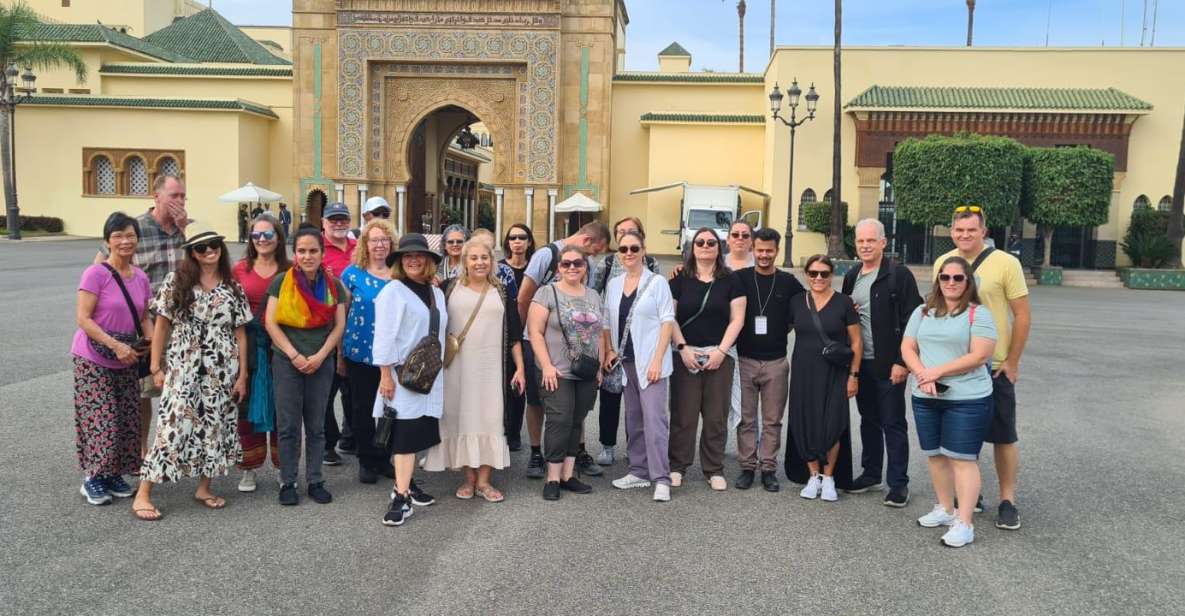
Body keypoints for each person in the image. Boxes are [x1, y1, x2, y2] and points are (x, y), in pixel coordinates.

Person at [132, 223, 252, 521]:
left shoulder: (232, 285)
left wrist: (242, 374)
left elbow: (241, 334)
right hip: (184, 366)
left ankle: (204, 487)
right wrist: (155, 366)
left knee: (215, 426)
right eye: (202, 247)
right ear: (192, 253)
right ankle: (143, 493)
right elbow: (162, 325)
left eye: (214, 245)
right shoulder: (178, 281)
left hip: (221, 369)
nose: (210, 251)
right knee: (172, 428)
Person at [933, 205, 1030, 530]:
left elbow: (1023, 315)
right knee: (960, 437)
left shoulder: (1006, 263)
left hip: (994, 366)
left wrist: (1013, 361)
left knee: (1003, 435)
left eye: (971, 230)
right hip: (954, 367)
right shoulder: (942, 263)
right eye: (959, 230)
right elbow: (937, 309)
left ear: (983, 232)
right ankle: (969, 496)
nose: (964, 235)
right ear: (952, 232)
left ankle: (1007, 499)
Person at [902, 256, 998, 548]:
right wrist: (922, 375)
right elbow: (907, 346)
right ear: (938, 281)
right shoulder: (923, 311)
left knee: (962, 459)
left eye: (958, 278)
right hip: (927, 394)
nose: (951, 283)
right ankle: (945, 508)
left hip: (967, 398)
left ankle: (965, 523)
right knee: (935, 455)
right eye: (945, 278)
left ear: (968, 282)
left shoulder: (977, 314)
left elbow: (979, 355)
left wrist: (936, 371)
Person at [94, 174, 188, 458]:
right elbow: (101, 271)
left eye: (184, 196)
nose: (181, 202)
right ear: (156, 196)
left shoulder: (189, 229)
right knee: (144, 393)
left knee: (180, 389)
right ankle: (143, 449)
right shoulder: (133, 230)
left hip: (183, 325)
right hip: (146, 326)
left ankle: (173, 449)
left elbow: (210, 262)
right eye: (175, 196)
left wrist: (186, 229)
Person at [425, 238, 526, 502]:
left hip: (492, 370)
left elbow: (514, 334)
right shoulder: (449, 288)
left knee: (490, 419)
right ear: (464, 261)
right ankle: (468, 479)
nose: (480, 262)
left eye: (485, 258)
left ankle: (484, 481)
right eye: (474, 258)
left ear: (491, 262)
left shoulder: (502, 291)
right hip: (456, 369)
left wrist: (520, 368)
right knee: (460, 419)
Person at [516, 221, 611, 479]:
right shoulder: (546, 255)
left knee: (575, 406)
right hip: (537, 338)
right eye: (592, 252)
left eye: (580, 263)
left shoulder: (586, 268)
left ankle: (576, 453)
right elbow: (524, 297)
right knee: (537, 401)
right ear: (588, 241)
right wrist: (527, 334)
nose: (581, 264)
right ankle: (537, 452)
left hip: (577, 348)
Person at [841, 219, 923, 507]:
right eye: (861, 241)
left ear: (883, 243)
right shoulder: (852, 276)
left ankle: (898, 484)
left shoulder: (898, 275)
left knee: (893, 422)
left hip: (890, 365)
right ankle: (871, 473)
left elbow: (915, 319)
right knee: (868, 420)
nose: (865, 246)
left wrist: (904, 361)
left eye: (871, 241)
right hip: (862, 363)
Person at [73, 212, 153, 506]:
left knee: (127, 419)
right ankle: (93, 477)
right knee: (102, 419)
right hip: (93, 357)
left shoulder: (141, 277)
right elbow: (83, 318)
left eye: (130, 235)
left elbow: (144, 317)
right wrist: (113, 344)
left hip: (127, 357)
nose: (125, 241)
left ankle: (112, 473)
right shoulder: (95, 274)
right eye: (118, 235)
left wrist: (153, 346)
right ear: (107, 241)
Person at [265, 224, 347, 506]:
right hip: (287, 362)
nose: (307, 256)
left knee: (316, 425)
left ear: (322, 253)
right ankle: (288, 481)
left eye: (313, 251)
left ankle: (315, 479)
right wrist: (294, 355)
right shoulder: (281, 282)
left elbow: (339, 326)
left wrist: (322, 355)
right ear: (294, 253)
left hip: (320, 361)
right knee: (288, 425)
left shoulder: (333, 286)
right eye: (302, 251)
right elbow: (271, 323)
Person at [373, 233, 448, 526]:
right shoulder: (393, 291)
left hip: (428, 375)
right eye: (407, 256)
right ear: (400, 262)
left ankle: (407, 483)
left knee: (417, 433)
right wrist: (384, 375)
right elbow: (383, 336)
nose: (414, 260)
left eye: (419, 255)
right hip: (402, 375)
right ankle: (400, 497)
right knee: (404, 436)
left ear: (429, 261)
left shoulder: (436, 293)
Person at [667, 227, 746, 491]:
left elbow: (738, 319)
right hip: (685, 354)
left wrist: (721, 351)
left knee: (715, 416)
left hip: (719, 355)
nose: (704, 246)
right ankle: (677, 466)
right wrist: (682, 348)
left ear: (718, 247)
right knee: (684, 415)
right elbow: (670, 317)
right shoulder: (679, 279)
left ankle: (713, 468)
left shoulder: (732, 280)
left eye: (711, 242)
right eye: (699, 242)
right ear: (692, 248)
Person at [602, 230, 676, 502]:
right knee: (633, 419)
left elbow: (668, 321)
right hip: (626, 362)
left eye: (634, 248)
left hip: (651, 362)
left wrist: (658, 359)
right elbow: (607, 322)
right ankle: (638, 470)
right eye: (623, 249)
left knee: (655, 421)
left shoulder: (657, 283)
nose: (629, 253)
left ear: (643, 250)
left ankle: (661, 478)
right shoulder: (614, 285)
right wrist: (609, 349)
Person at [733, 228, 804, 493]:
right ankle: (747, 467)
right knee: (747, 419)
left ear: (776, 250)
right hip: (744, 359)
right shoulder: (739, 278)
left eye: (769, 251)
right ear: (753, 249)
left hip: (776, 362)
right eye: (759, 250)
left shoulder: (788, 282)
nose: (764, 255)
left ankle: (769, 468)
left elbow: (811, 304)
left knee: (772, 420)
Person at [789, 255, 862, 503]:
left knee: (832, 424)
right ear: (806, 274)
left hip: (834, 372)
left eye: (824, 273)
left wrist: (854, 375)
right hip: (803, 372)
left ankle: (829, 477)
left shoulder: (844, 303)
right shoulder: (797, 301)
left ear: (832, 275)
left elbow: (857, 342)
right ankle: (813, 476)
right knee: (806, 421)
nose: (818, 278)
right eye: (813, 273)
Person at [591, 217, 661, 466]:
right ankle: (607, 445)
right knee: (610, 396)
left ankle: (635, 448)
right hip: (612, 343)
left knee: (639, 403)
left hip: (640, 345)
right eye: (621, 233)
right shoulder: (608, 263)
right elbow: (593, 295)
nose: (627, 242)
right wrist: (604, 345)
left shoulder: (652, 264)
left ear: (641, 239)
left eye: (632, 234)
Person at [231, 213, 289, 493]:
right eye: (256, 235)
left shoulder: (290, 268)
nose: (262, 240)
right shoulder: (239, 269)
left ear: (278, 237)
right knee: (246, 408)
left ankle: (283, 467)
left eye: (268, 234)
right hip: (248, 347)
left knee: (282, 408)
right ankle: (249, 469)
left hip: (282, 345)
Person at [340, 219, 397, 484]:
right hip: (360, 352)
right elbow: (342, 314)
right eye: (374, 240)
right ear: (365, 244)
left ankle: (384, 457)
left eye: (384, 240)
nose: (379, 245)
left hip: (393, 353)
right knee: (362, 407)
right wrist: (339, 352)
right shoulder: (352, 275)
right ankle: (366, 459)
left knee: (390, 407)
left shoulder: (400, 275)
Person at [320, 202, 357, 464]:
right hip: (327, 331)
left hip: (356, 330)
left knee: (353, 390)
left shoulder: (358, 250)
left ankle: (350, 436)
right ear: (324, 222)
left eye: (343, 219)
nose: (339, 223)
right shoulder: (317, 249)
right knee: (325, 391)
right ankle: (327, 444)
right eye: (334, 219)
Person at [499, 223, 535, 451]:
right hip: (502, 333)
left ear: (529, 242)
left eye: (522, 237)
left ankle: (514, 433)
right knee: (501, 382)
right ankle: (500, 429)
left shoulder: (535, 269)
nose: (517, 241)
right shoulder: (499, 269)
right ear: (507, 242)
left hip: (528, 333)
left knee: (520, 384)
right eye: (513, 238)